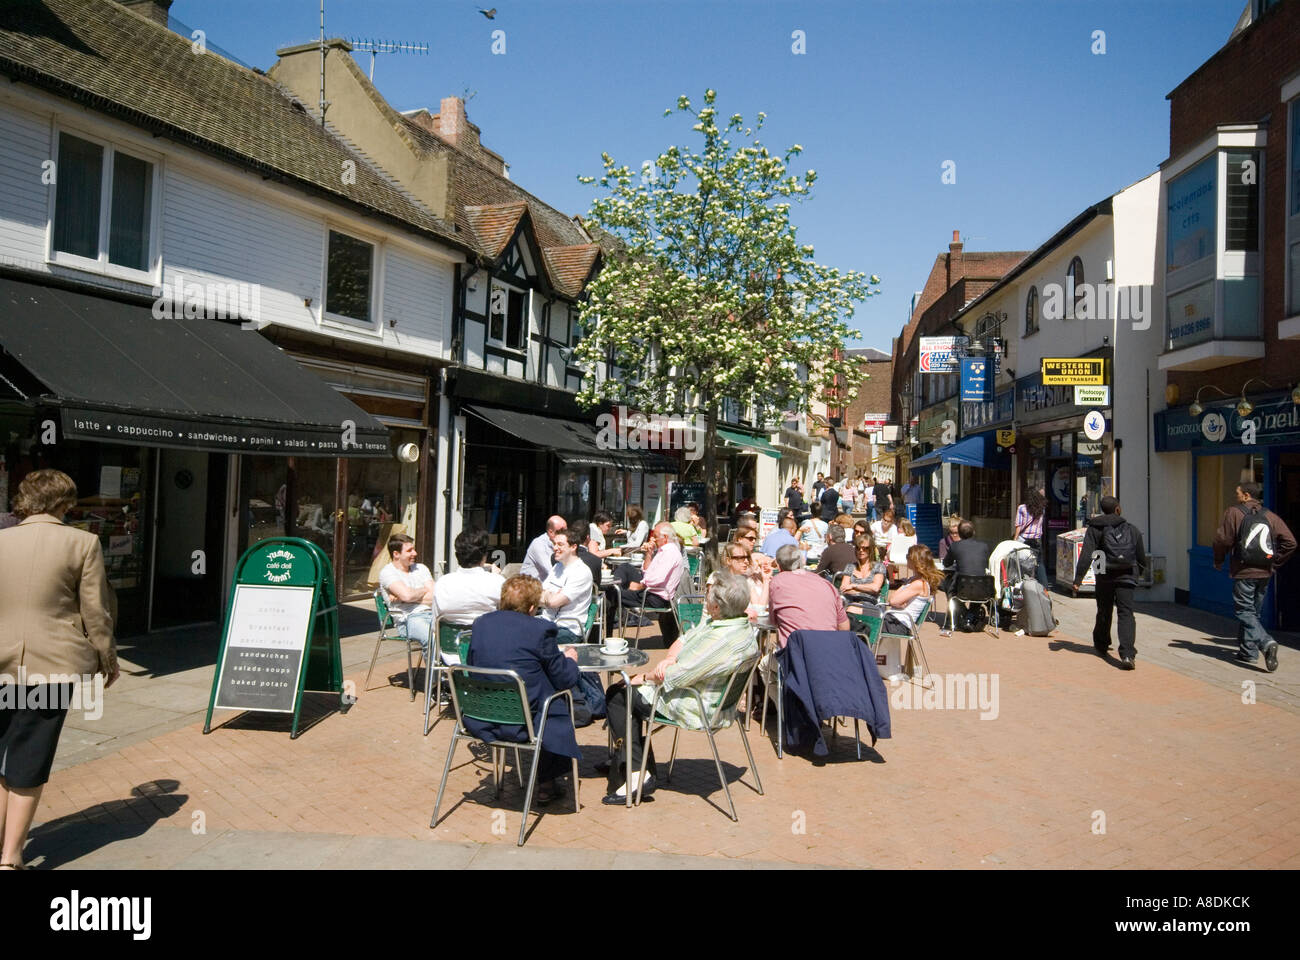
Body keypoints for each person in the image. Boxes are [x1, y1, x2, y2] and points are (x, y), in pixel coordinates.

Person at [0, 469, 118, 870]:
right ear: (65, 503)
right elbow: (95, 612)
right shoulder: (83, 543)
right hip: (52, 666)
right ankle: (12, 854)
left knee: (1, 755)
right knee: (29, 758)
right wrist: (107, 658)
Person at [603, 572, 757, 803]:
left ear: (716, 606)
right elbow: (686, 638)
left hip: (697, 705)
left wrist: (642, 677)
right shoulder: (731, 623)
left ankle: (635, 771)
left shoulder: (722, 640)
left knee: (618, 695)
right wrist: (669, 659)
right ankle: (625, 761)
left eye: (708, 597)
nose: (705, 600)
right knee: (625, 693)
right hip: (702, 694)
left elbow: (679, 677)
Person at [464, 576, 582, 806]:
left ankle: (539, 781)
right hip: (521, 719)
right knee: (555, 701)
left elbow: (472, 664)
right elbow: (564, 677)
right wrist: (570, 660)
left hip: (481, 715)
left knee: (537, 687)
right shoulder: (540, 629)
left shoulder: (480, 624)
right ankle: (546, 783)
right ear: (531, 607)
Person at [1212, 481, 1295, 672]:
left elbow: (1222, 540)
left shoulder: (1233, 513)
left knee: (1244, 611)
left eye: (1238, 493)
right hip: (1264, 572)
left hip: (1244, 571)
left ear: (1247, 495)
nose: (1236, 496)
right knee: (1253, 613)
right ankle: (1248, 652)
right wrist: (1274, 563)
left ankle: (1266, 643)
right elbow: (1290, 542)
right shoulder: (1271, 516)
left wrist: (1218, 560)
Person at [1072, 496, 1147, 670]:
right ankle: (1127, 654)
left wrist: (1078, 579)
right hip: (1127, 575)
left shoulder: (1095, 527)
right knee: (1126, 613)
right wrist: (1137, 574)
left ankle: (1101, 643)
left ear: (1102, 509)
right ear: (1118, 509)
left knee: (1104, 609)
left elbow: (1087, 554)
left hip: (1103, 574)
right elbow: (1141, 557)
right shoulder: (1132, 529)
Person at [432, 528, 505, 661]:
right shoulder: (496, 582)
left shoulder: (442, 583)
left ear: (457, 555)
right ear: (484, 555)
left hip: (450, 654)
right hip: (488, 654)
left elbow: (435, 622)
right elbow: (506, 618)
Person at [614, 522, 684, 644]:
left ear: (665, 538)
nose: (653, 539)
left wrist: (640, 585)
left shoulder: (670, 553)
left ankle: (607, 633)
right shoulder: (663, 551)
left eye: (655, 536)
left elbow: (656, 579)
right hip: (650, 592)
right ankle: (618, 587)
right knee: (625, 568)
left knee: (613, 593)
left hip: (654, 596)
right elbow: (646, 571)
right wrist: (649, 553)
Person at [378, 534, 436, 655]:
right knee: (433, 639)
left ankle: (452, 671)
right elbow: (407, 595)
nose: (415, 553)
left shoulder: (421, 568)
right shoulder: (388, 573)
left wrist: (405, 598)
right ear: (396, 554)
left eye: (414, 549)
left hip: (433, 614)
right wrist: (424, 590)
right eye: (409, 551)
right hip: (408, 620)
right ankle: (435, 674)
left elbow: (435, 596)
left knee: (454, 635)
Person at [876, 544, 943, 636]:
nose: (906, 557)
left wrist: (897, 603)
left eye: (908, 556)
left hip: (898, 624)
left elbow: (892, 600)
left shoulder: (919, 583)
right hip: (892, 620)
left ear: (915, 560)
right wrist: (898, 603)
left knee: (863, 626)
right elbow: (892, 599)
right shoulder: (912, 580)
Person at [943, 520, 994, 631]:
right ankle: (971, 617)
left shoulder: (955, 546)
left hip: (962, 586)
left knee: (948, 585)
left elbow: (946, 563)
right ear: (974, 532)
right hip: (982, 588)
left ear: (960, 534)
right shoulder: (984, 546)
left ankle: (966, 615)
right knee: (975, 586)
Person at [839, 534, 887, 608]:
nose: (861, 550)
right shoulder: (850, 566)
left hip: (869, 603)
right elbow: (843, 588)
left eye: (865, 548)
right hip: (848, 601)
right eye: (858, 548)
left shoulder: (879, 567)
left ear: (870, 549)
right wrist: (866, 590)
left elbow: (875, 588)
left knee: (850, 610)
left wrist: (853, 586)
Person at [1014, 489, 1049, 587]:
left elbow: (1018, 525)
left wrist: (1015, 538)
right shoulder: (1042, 509)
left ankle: (1022, 584)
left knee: (1021, 562)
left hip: (1023, 540)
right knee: (1039, 562)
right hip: (1036, 539)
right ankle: (1044, 586)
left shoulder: (1022, 508)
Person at [520, 515, 566, 581]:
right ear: (550, 532)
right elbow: (552, 571)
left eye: (566, 531)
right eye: (561, 531)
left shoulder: (562, 544)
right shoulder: (538, 544)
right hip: (529, 587)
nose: (565, 534)